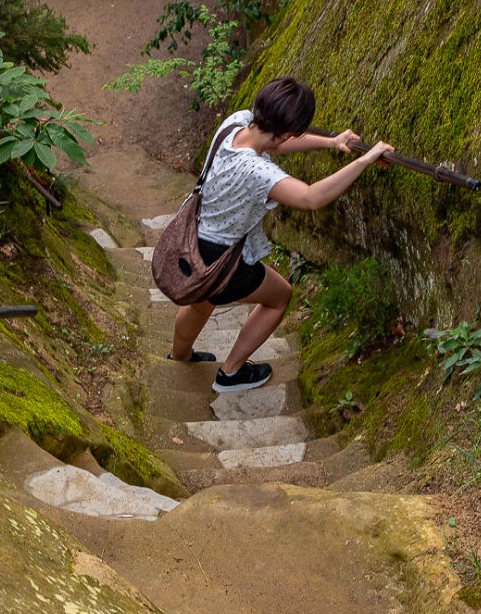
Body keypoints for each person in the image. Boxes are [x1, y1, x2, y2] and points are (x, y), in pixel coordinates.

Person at [167, 76, 394, 393]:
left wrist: (330, 142)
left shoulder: (237, 124)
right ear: (289, 130)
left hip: (192, 239)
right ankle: (230, 374)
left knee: (199, 304)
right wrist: (365, 159)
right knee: (279, 296)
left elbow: (275, 139)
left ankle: (179, 356)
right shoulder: (255, 170)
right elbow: (310, 197)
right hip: (223, 261)